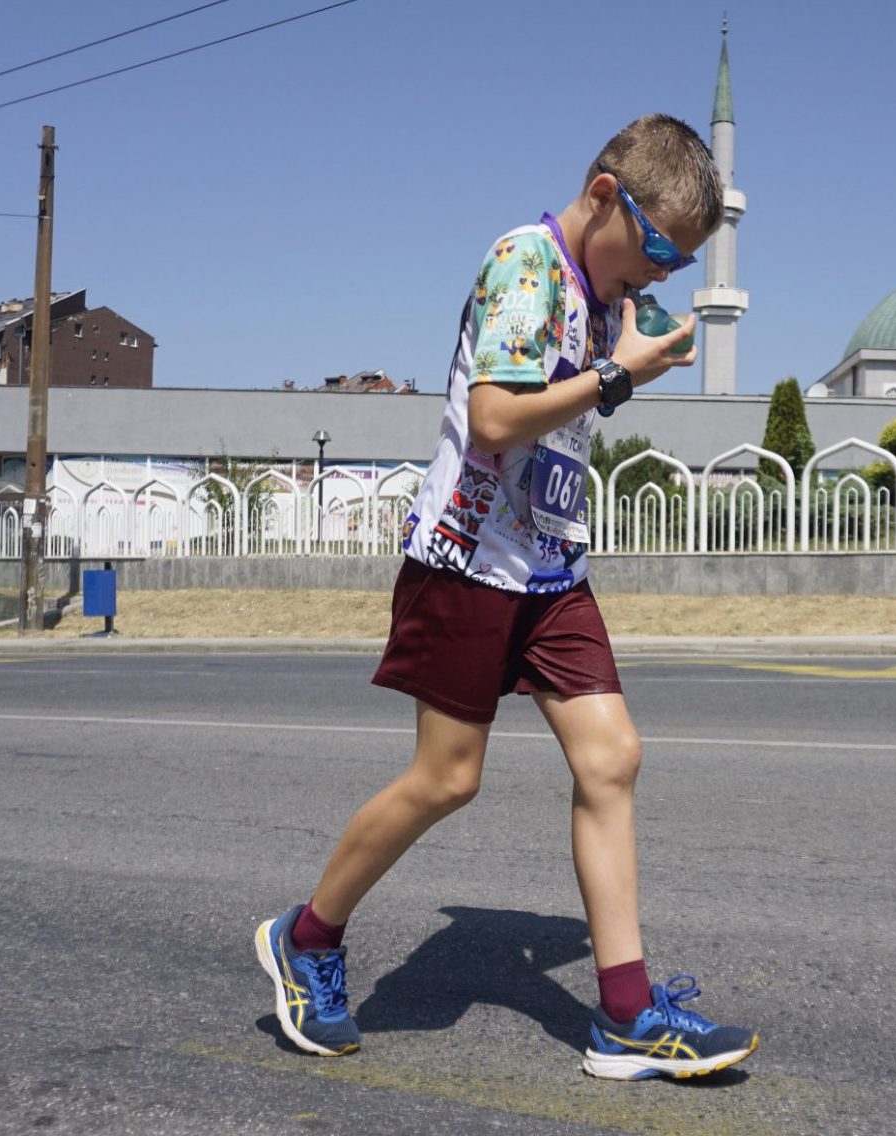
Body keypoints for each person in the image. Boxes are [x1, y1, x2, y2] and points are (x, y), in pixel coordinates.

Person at [254, 114, 759, 1081]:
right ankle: (307, 938)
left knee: (611, 758)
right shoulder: (524, 262)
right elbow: (492, 419)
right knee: (448, 779)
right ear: (605, 196)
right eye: (659, 249)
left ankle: (625, 1017)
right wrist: (619, 371)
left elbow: (562, 407)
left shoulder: (597, 291)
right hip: (466, 558)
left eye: (681, 264)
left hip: (550, 566)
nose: (662, 273)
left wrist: (620, 357)